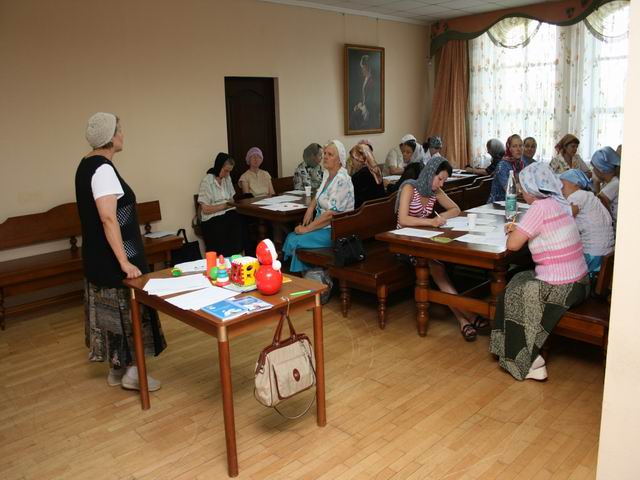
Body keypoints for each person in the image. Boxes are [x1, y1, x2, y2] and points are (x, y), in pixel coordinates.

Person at [75, 112, 166, 392]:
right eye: (119, 130)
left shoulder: (85, 165)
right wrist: (124, 262)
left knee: (110, 315)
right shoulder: (102, 169)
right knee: (129, 312)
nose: (122, 135)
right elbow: (108, 218)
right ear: (110, 137)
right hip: (116, 258)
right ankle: (133, 373)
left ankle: (117, 370)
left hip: (98, 257)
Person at [491, 162, 589, 381]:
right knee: (519, 277)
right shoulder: (558, 202)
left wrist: (513, 232)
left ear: (531, 189)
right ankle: (508, 348)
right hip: (580, 282)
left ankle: (527, 360)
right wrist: (521, 229)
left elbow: (513, 244)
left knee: (516, 293)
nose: (521, 192)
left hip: (561, 286)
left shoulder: (539, 207)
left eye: (522, 188)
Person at [396, 157, 486, 341]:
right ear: (430, 173)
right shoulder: (409, 188)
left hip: (423, 240)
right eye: (440, 179)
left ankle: (464, 319)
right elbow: (403, 219)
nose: (441, 183)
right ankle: (465, 316)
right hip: (403, 242)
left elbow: (455, 209)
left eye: (444, 180)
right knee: (436, 267)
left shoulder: (434, 190)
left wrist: (441, 217)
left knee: (437, 265)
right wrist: (431, 222)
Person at [283, 140, 354, 272]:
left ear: (339, 160)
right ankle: (308, 276)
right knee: (291, 237)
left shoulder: (342, 180)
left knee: (296, 241)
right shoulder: (327, 175)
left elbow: (331, 214)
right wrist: (311, 208)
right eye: (325, 153)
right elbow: (318, 194)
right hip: (324, 226)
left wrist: (307, 229)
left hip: (336, 231)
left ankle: (311, 278)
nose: (325, 157)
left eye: (330, 154)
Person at [559, 169, 614, 275]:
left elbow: (566, 216)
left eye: (562, 186)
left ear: (576, 184)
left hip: (592, 252)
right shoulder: (591, 196)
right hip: (606, 252)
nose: (560, 190)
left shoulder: (577, 196)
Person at [198, 153, 245, 256]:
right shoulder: (207, 181)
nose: (227, 174)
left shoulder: (227, 178)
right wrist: (223, 206)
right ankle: (223, 258)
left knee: (239, 219)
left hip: (227, 212)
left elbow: (231, 198)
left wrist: (231, 205)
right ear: (219, 166)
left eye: (229, 171)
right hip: (211, 217)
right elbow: (205, 209)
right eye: (226, 170)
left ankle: (237, 256)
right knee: (224, 223)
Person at [487, 134, 533, 203]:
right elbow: (511, 190)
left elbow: (530, 184)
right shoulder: (502, 165)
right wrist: (524, 185)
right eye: (514, 146)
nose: (518, 149)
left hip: (516, 202)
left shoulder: (524, 162)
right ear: (509, 148)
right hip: (498, 203)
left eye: (520, 145)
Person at [591, 146, 621, 226]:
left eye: (594, 168)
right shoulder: (608, 182)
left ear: (601, 169)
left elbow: (598, 204)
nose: (593, 170)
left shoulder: (615, 184)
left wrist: (596, 182)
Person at [349, 143, 386, 209]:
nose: (351, 163)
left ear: (359, 158)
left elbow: (353, 200)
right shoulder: (376, 170)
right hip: (381, 209)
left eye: (352, 159)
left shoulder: (357, 176)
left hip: (365, 212)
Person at [351, 55, 379, 130]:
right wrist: (359, 105)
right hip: (365, 106)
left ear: (367, 67)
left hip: (370, 110)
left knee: (354, 116)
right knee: (354, 114)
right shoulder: (366, 79)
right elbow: (363, 97)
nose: (362, 70)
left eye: (363, 67)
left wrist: (361, 107)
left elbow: (370, 100)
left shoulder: (371, 81)